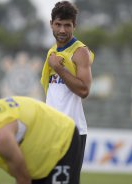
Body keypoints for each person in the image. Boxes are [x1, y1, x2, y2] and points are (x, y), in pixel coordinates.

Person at [40, 0, 94, 179]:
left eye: (67, 25)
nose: (62, 30)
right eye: (58, 24)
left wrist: (60, 69)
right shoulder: (52, 52)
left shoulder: (80, 52)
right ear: (51, 25)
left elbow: (84, 90)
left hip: (72, 132)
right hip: (50, 130)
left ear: (74, 26)